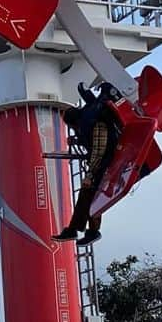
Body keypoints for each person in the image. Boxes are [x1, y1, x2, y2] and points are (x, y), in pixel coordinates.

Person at [55, 83, 125, 246]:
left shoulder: (96, 122)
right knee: (87, 197)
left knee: (92, 198)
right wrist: (78, 140)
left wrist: (90, 174)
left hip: (105, 164)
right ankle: (74, 229)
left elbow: (99, 150)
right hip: (104, 163)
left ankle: (90, 231)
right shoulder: (90, 119)